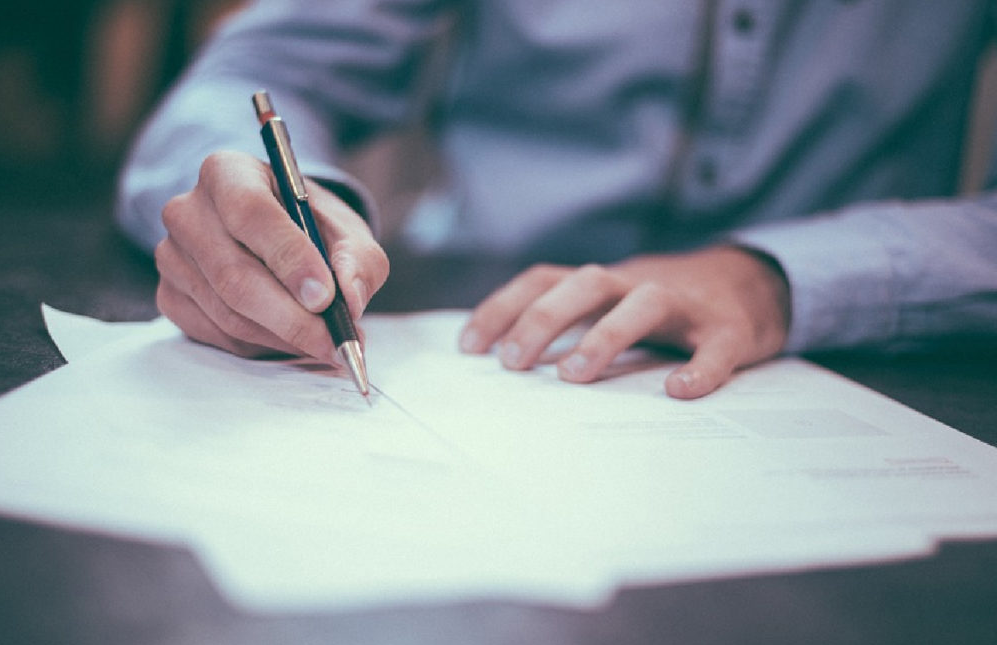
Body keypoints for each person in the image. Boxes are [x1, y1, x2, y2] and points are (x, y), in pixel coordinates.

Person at [116, 1, 997, 400]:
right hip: (472, 328)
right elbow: (249, 79)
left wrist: (774, 278)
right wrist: (262, 210)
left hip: (861, 363)